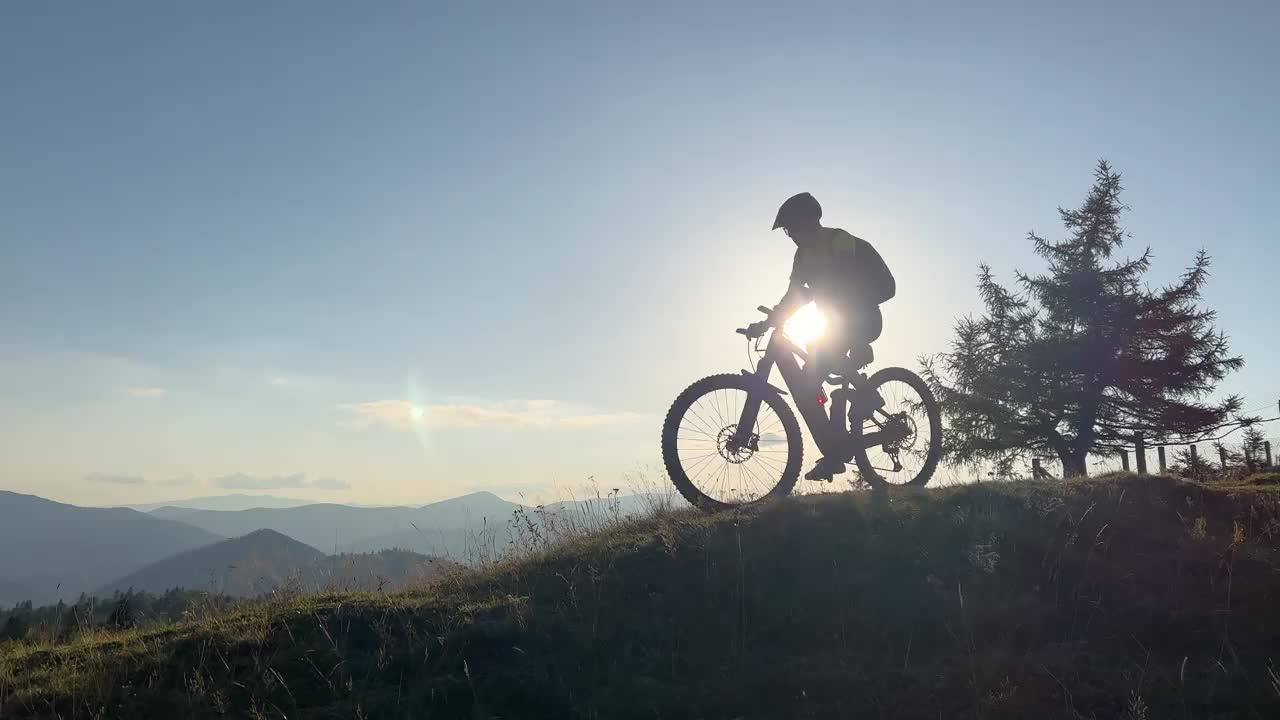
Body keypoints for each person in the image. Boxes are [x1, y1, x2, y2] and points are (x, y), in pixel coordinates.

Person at [750, 191, 896, 481]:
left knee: (820, 355)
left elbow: (844, 282)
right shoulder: (802, 256)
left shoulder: (837, 240)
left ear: (807, 222)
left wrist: (809, 296)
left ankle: (867, 395)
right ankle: (834, 449)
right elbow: (794, 295)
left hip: (862, 315)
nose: (789, 235)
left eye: (790, 228)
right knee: (811, 377)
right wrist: (767, 322)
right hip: (837, 321)